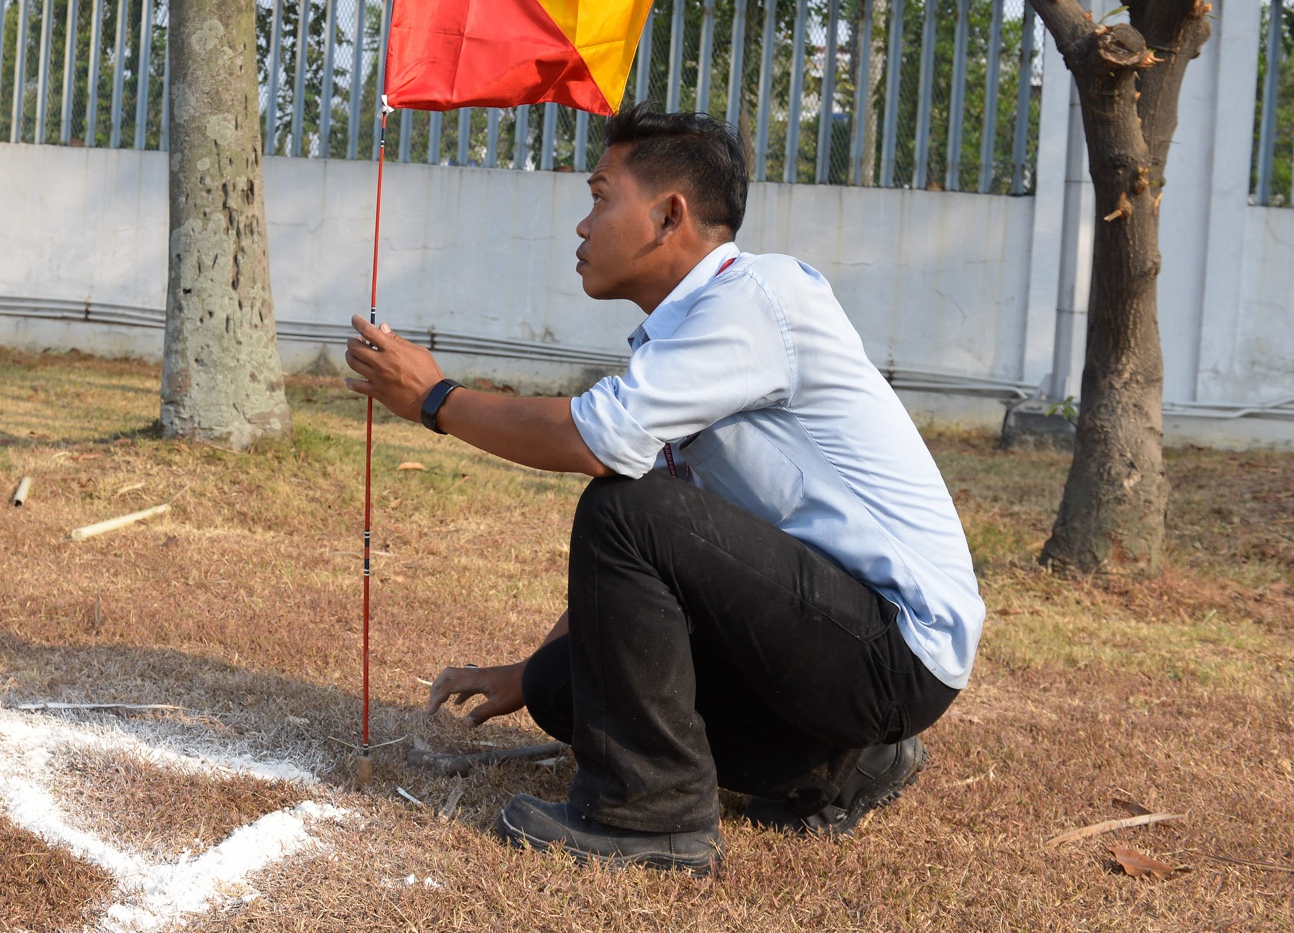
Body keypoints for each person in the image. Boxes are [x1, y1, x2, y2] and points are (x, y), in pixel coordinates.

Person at [343, 107, 983, 875]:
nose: (581, 225)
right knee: (564, 685)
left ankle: (653, 819)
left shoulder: (754, 298)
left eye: (600, 196)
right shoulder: (688, 337)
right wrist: (528, 669)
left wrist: (436, 400)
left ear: (669, 215)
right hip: (830, 633)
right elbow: (673, 551)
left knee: (621, 505)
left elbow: (597, 447)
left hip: (893, 645)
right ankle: (835, 767)